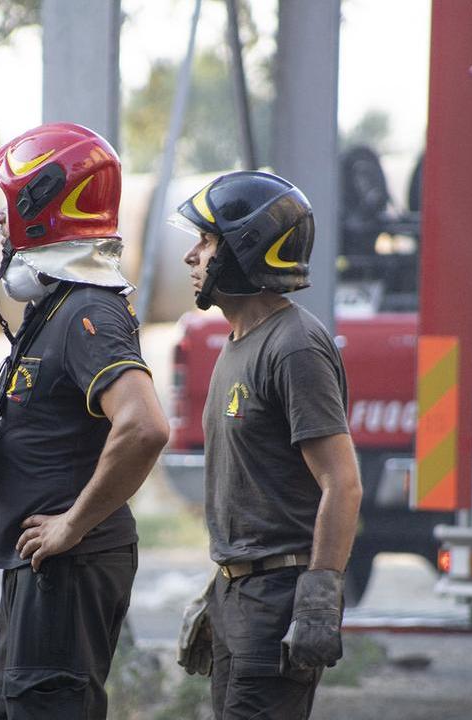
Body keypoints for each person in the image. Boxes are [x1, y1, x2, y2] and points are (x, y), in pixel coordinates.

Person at [0, 122, 170, 719]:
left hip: (65, 565)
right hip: (40, 565)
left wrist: (72, 526)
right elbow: (20, 428)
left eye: (9, 207)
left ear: (45, 211)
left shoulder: (88, 310)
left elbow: (144, 427)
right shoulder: (55, 309)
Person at [172, 171, 363, 718]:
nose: (192, 257)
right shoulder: (237, 344)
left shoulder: (295, 347)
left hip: (278, 600)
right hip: (238, 597)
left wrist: (320, 597)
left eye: (205, 241)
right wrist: (222, 587)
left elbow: (342, 484)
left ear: (242, 249)